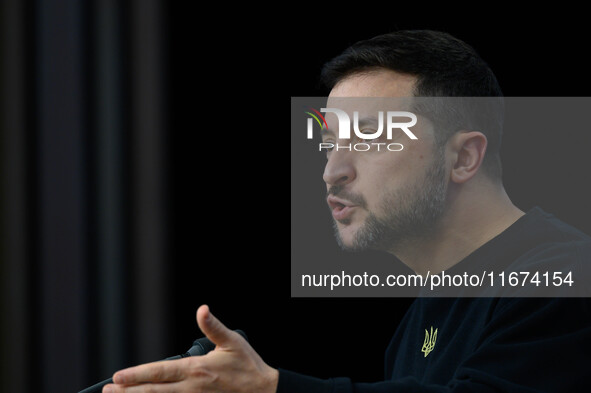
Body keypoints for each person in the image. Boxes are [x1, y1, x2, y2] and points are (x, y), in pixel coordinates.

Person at [103, 30, 591, 392]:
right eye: (331, 144)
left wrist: (271, 388)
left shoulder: (567, 275)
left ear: (463, 157)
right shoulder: (421, 318)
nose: (331, 171)